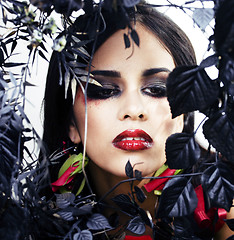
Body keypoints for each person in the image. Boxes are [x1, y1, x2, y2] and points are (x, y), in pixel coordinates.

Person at [42, 2, 234, 239]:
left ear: (185, 110)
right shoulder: (30, 219)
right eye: (104, 90)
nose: (134, 110)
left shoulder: (225, 204)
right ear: (71, 121)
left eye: (156, 89)